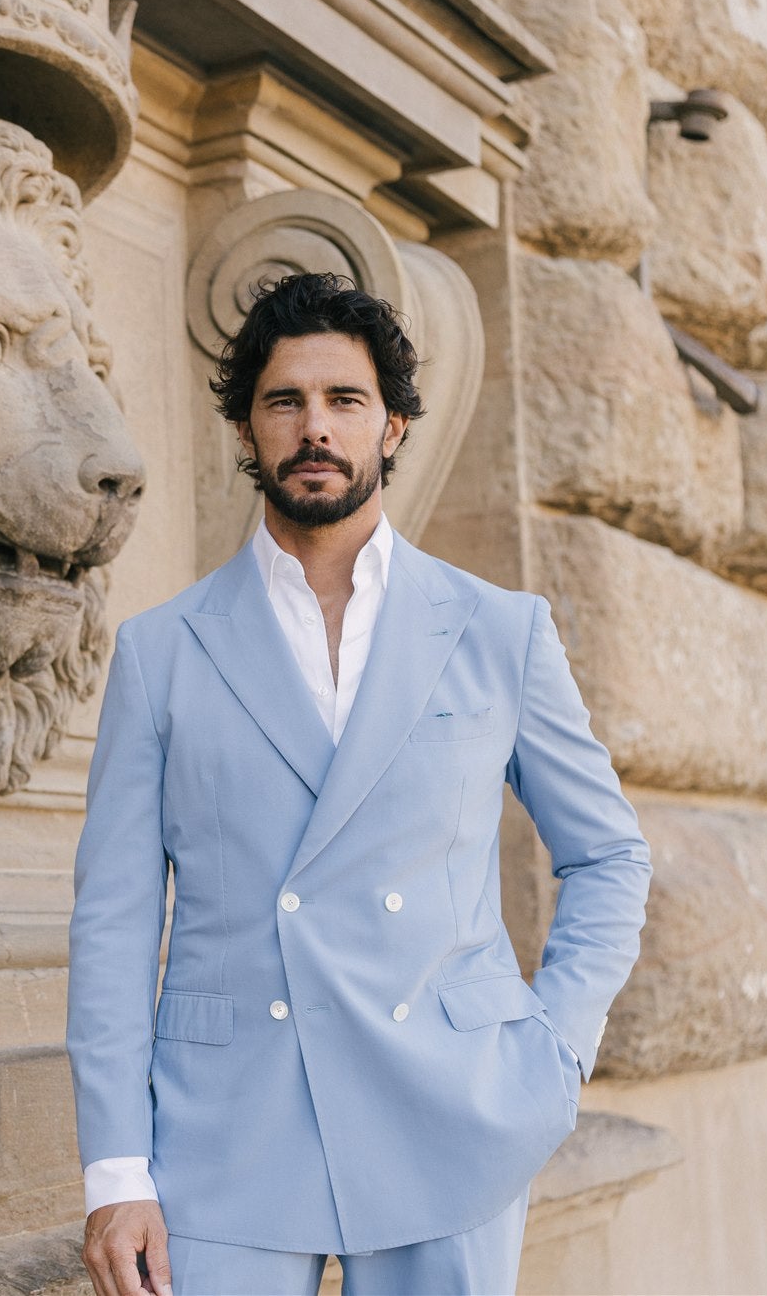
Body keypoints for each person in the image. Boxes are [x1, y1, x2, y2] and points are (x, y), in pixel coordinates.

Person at [66, 272, 651, 1296]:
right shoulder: (160, 654)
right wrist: (115, 1170)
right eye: (282, 401)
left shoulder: (496, 631)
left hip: (450, 1111)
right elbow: (113, 923)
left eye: (343, 400)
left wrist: (550, 1051)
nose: (313, 428)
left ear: (391, 427)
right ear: (245, 433)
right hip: (221, 1129)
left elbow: (606, 855)